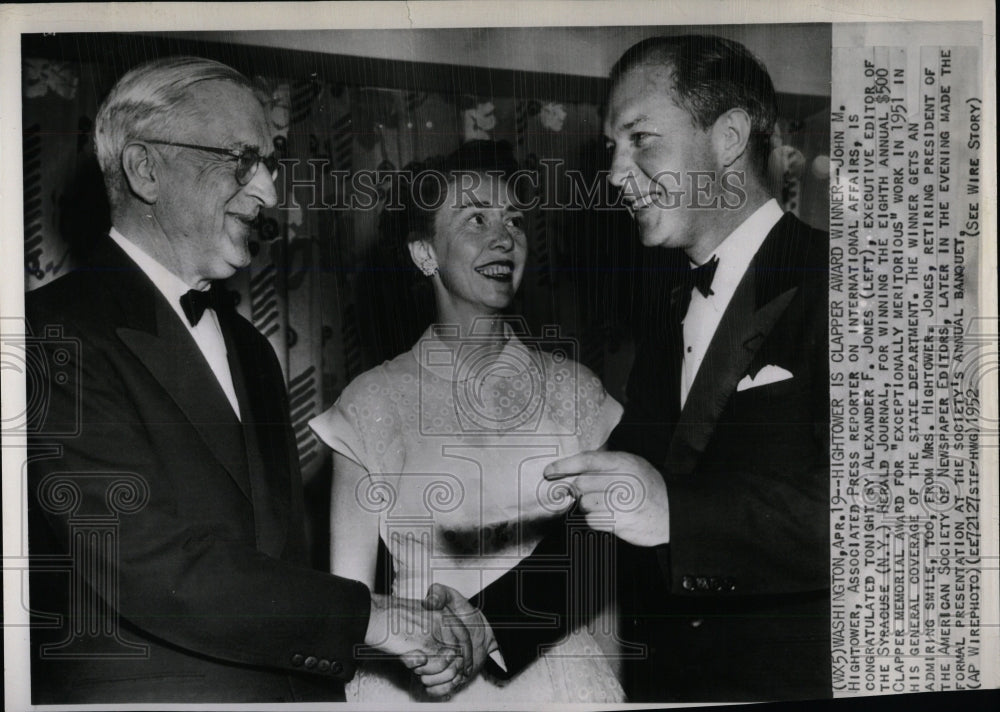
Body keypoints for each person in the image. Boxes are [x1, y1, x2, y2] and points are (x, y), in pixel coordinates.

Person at [25, 56, 485, 704]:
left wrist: (383, 641)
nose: (270, 192)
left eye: (270, 164)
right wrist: (380, 621)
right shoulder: (47, 332)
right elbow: (147, 563)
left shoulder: (250, 349)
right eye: (242, 161)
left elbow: (279, 567)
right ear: (145, 169)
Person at [540, 35, 832, 701]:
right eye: (612, 147)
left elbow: (885, 516)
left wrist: (678, 511)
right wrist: (485, 625)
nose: (615, 174)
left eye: (639, 138)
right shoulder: (665, 315)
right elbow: (613, 521)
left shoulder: (856, 281)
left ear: (729, 137)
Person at [310, 140, 627, 703]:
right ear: (424, 253)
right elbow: (348, 607)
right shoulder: (370, 403)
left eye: (514, 220)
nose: (504, 236)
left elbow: (600, 580)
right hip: (417, 683)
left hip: (561, 683)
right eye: (475, 217)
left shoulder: (577, 393)